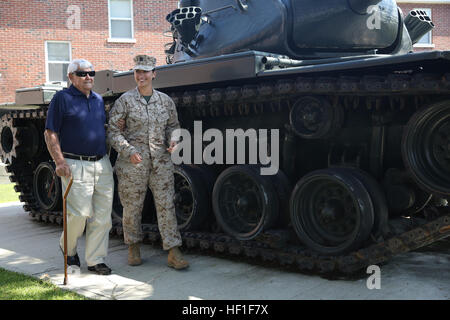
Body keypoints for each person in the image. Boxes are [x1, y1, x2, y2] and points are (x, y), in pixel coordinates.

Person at [108, 54, 188, 269]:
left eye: (145, 71)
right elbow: (114, 132)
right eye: (137, 71)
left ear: (154, 74)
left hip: (161, 162)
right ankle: (133, 246)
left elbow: (174, 125)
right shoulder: (124, 101)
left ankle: (173, 250)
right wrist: (128, 150)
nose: (141, 75)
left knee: (166, 205)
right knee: (132, 207)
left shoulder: (165, 101)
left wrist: (174, 140)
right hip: (134, 162)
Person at [44, 59, 114, 275]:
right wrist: (59, 161)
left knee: (103, 216)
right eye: (82, 73)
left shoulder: (98, 99)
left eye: (91, 73)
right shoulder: (62, 98)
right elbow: (50, 132)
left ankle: (95, 259)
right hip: (75, 164)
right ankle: (69, 249)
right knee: (79, 214)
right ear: (71, 77)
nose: (88, 77)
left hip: (101, 164)